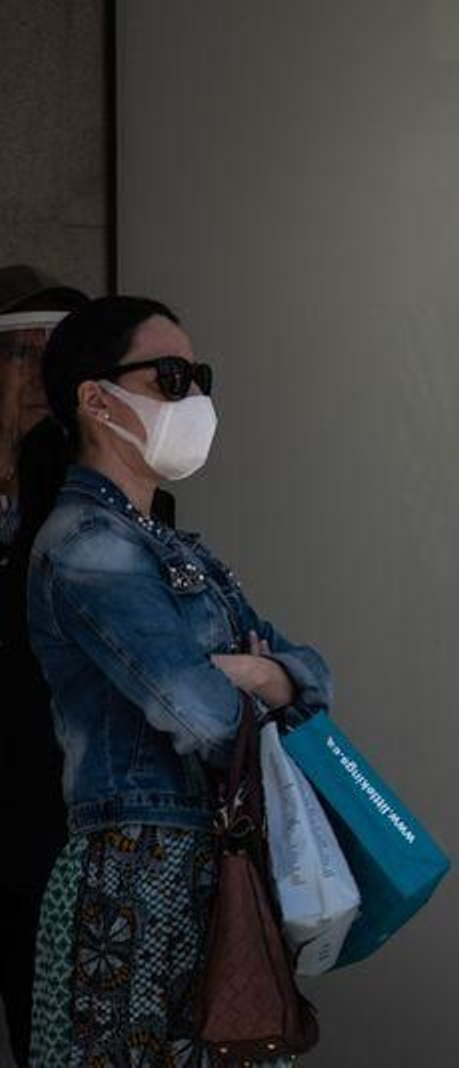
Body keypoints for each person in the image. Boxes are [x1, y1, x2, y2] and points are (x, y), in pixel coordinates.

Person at [17, 296, 332, 1064]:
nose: (194, 398)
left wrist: (262, 673)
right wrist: (259, 685)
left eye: (200, 377)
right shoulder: (86, 544)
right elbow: (202, 714)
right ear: (96, 400)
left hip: (213, 867)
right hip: (135, 872)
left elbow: (313, 680)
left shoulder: (178, 548)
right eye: (170, 377)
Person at [0, 265, 87, 1065]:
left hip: (51, 832)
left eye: (54, 360)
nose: (37, 381)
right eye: (20, 355)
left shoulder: (94, 502)